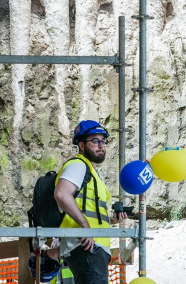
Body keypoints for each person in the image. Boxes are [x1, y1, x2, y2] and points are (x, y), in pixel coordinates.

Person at [53, 120, 126, 284]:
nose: (101, 145)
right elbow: (62, 194)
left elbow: (91, 211)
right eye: (95, 141)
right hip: (86, 246)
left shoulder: (92, 173)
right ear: (81, 145)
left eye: (103, 141)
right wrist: (86, 227)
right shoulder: (78, 165)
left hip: (94, 248)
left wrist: (113, 219)